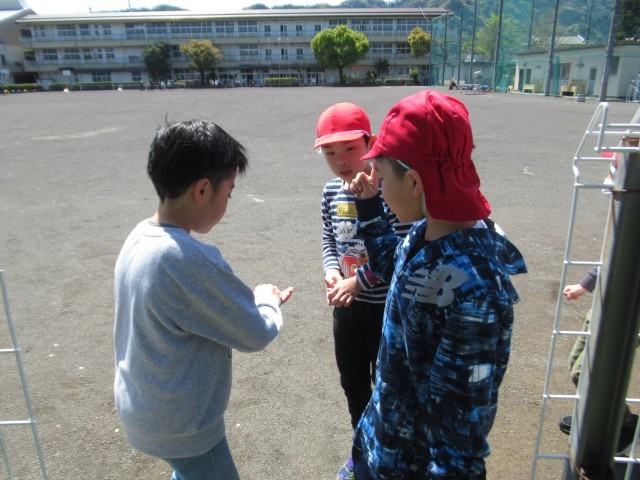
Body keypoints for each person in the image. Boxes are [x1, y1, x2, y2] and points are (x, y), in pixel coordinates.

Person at [346, 90, 527, 479]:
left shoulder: (476, 291)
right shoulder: (426, 232)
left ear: (413, 182)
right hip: (381, 444)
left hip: (409, 467)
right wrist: (371, 210)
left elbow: (459, 442)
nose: (376, 183)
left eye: (380, 175)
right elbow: (395, 267)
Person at [114, 119, 294, 480]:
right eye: (228, 194)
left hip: (142, 405)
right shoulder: (187, 260)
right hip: (184, 425)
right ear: (202, 190)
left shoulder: (139, 237)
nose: (227, 202)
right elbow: (254, 332)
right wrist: (267, 300)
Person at [313, 102, 412, 480]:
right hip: (347, 309)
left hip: (384, 307)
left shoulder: (388, 190)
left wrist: (358, 281)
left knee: (387, 386)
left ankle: (388, 453)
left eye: (349, 148)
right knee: (353, 383)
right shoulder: (330, 191)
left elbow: (399, 250)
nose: (340, 160)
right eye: (329, 152)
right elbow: (329, 239)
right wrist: (331, 270)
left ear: (370, 142)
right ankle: (362, 450)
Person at [559, 267, 638, 453]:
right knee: (576, 361)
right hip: (605, 304)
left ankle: (625, 424)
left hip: (627, 313)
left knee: (584, 372)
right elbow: (612, 256)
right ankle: (593, 420)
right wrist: (585, 284)